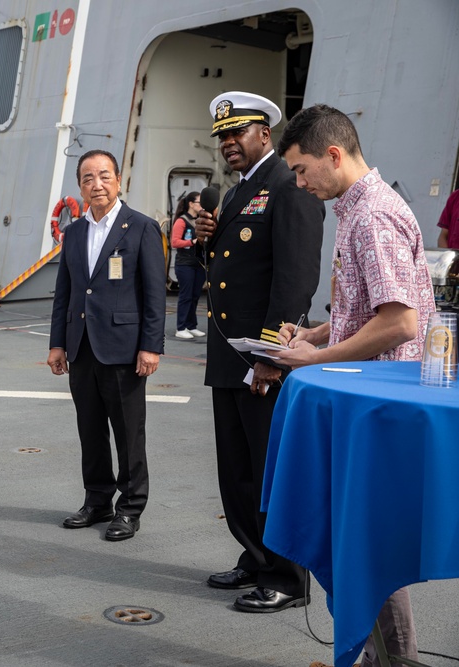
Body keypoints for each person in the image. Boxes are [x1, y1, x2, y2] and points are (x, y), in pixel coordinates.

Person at [275, 103, 433, 667]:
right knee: (364, 539)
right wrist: (318, 335)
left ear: (333, 155)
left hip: (377, 406)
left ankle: (394, 661)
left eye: (301, 169)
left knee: (368, 542)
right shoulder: (361, 209)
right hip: (372, 399)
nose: (298, 182)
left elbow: (400, 322)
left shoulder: (371, 218)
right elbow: (368, 311)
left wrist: (312, 363)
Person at [194, 92, 325, 612]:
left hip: (261, 360)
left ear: (264, 133)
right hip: (230, 355)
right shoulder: (236, 192)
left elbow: (295, 279)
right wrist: (207, 239)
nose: (229, 142)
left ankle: (289, 578)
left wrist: (274, 355)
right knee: (238, 469)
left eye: (238, 132)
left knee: (271, 469)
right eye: (223, 136)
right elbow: (232, 267)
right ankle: (256, 554)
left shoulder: (287, 186)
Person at [47, 149, 166, 541]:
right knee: (90, 429)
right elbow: (64, 292)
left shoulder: (142, 228)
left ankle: (130, 508)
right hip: (81, 347)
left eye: (103, 176)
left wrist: (151, 347)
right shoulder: (75, 232)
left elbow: (153, 294)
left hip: (124, 348)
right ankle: (96, 499)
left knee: (129, 433)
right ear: (79, 185)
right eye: (87, 178)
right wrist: (57, 344)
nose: (96, 184)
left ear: (118, 180)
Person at [170, 191, 206, 339]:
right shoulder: (181, 221)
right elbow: (174, 242)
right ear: (191, 204)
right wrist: (192, 242)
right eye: (199, 202)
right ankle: (181, 327)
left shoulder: (200, 220)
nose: (202, 206)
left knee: (195, 295)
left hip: (198, 264)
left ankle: (191, 325)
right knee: (186, 296)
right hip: (185, 264)